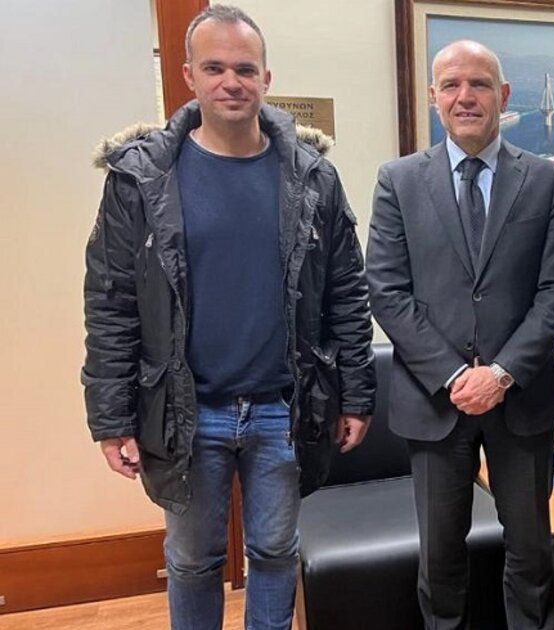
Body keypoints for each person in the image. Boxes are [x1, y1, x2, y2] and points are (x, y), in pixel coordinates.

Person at [82, 5, 375, 629]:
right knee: (192, 561)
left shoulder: (313, 177)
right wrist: (111, 417)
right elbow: (111, 303)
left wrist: (356, 394)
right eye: (214, 68)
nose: (230, 82)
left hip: (282, 409)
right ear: (189, 75)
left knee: (275, 553)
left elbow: (347, 293)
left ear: (267, 78)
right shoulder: (141, 179)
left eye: (244, 69)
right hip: (186, 410)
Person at [367, 39, 554, 630]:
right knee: (439, 560)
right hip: (435, 401)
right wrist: (456, 375)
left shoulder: (545, 179)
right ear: (433, 97)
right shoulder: (398, 181)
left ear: (503, 95)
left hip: (524, 400)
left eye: (480, 84)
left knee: (532, 555)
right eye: (452, 85)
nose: (466, 96)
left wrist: (502, 374)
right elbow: (386, 290)